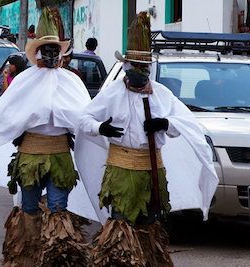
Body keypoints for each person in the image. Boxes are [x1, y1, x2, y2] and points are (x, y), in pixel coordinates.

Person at [77, 12, 218, 266]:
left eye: (144, 68)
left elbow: (186, 125)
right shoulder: (111, 94)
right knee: (120, 221)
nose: (139, 73)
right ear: (126, 66)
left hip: (150, 169)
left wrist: (165, 124)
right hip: (119, 169)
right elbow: (84, 119)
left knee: (147, 221)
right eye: (135, 67)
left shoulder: (162, 95)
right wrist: (101, 128)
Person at [0, 8, 92, 265]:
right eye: (47, 51)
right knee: (29, 208)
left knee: (57, 208)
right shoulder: (23, 81)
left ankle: (55, 256)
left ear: (61, 54)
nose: (52, 56)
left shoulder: (72, 82)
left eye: (56, 51)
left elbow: (84, 117)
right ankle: (27, 255)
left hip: (60, 156)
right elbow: (3, 114)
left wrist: (98, 129)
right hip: (30, 157)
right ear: (38, 54)